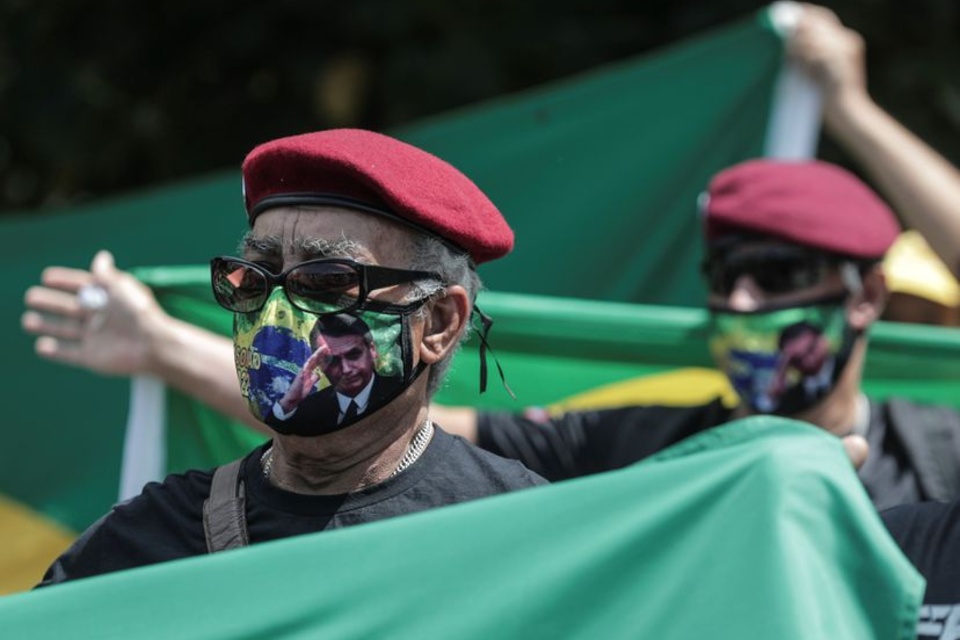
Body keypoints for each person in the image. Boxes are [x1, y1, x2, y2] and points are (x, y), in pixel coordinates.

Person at [29, 128, 546, 586]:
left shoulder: (528, 535)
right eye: (255, 277)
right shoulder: (146, 542)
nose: (275, 315)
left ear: (437, 323)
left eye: (326, 280)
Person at [265, 314, 403, 431]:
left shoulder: (399, 392)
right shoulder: (309, 407)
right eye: (332, 360)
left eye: (354, 355)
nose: (346, 369)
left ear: (372, 350)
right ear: (318, 363)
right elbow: (277, 438)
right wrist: (290, 401)